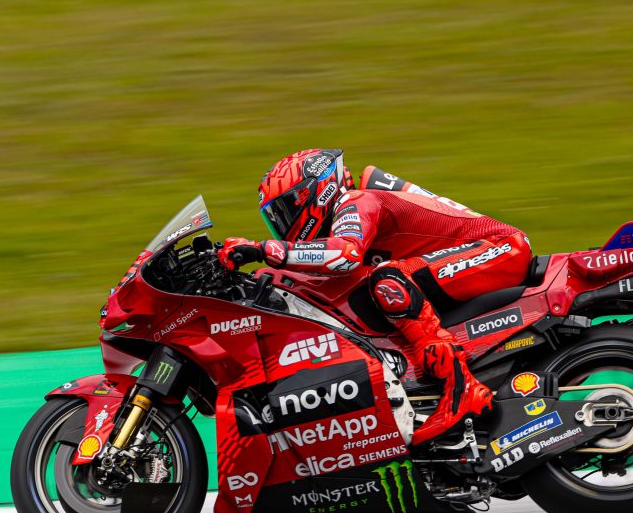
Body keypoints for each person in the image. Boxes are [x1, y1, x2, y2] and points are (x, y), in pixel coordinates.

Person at [217, 149, 532, 443]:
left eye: (285, 211)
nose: (282, 224)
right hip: (478, 255)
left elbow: (346, 254)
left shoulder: (356, 200)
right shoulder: (349, 209)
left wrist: (264, 250)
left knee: (388, 280)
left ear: (315, 193)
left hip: (500, 248)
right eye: (274, 218)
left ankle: (462, 389)